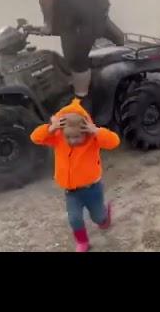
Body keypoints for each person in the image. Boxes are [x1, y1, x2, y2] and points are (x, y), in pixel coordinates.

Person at [30, 98, 121, 252]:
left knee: (98, 218)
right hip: (71, 192)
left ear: (85, 131)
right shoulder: (58, 139)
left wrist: (96, 131)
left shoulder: (93, 139)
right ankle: (82, 242)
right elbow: (35, 137)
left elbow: (114, 142)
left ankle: (104, 217)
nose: (72, 140)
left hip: (92, 189)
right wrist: (51, 128)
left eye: (77, 136)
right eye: (69, 137)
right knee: (74, 219)